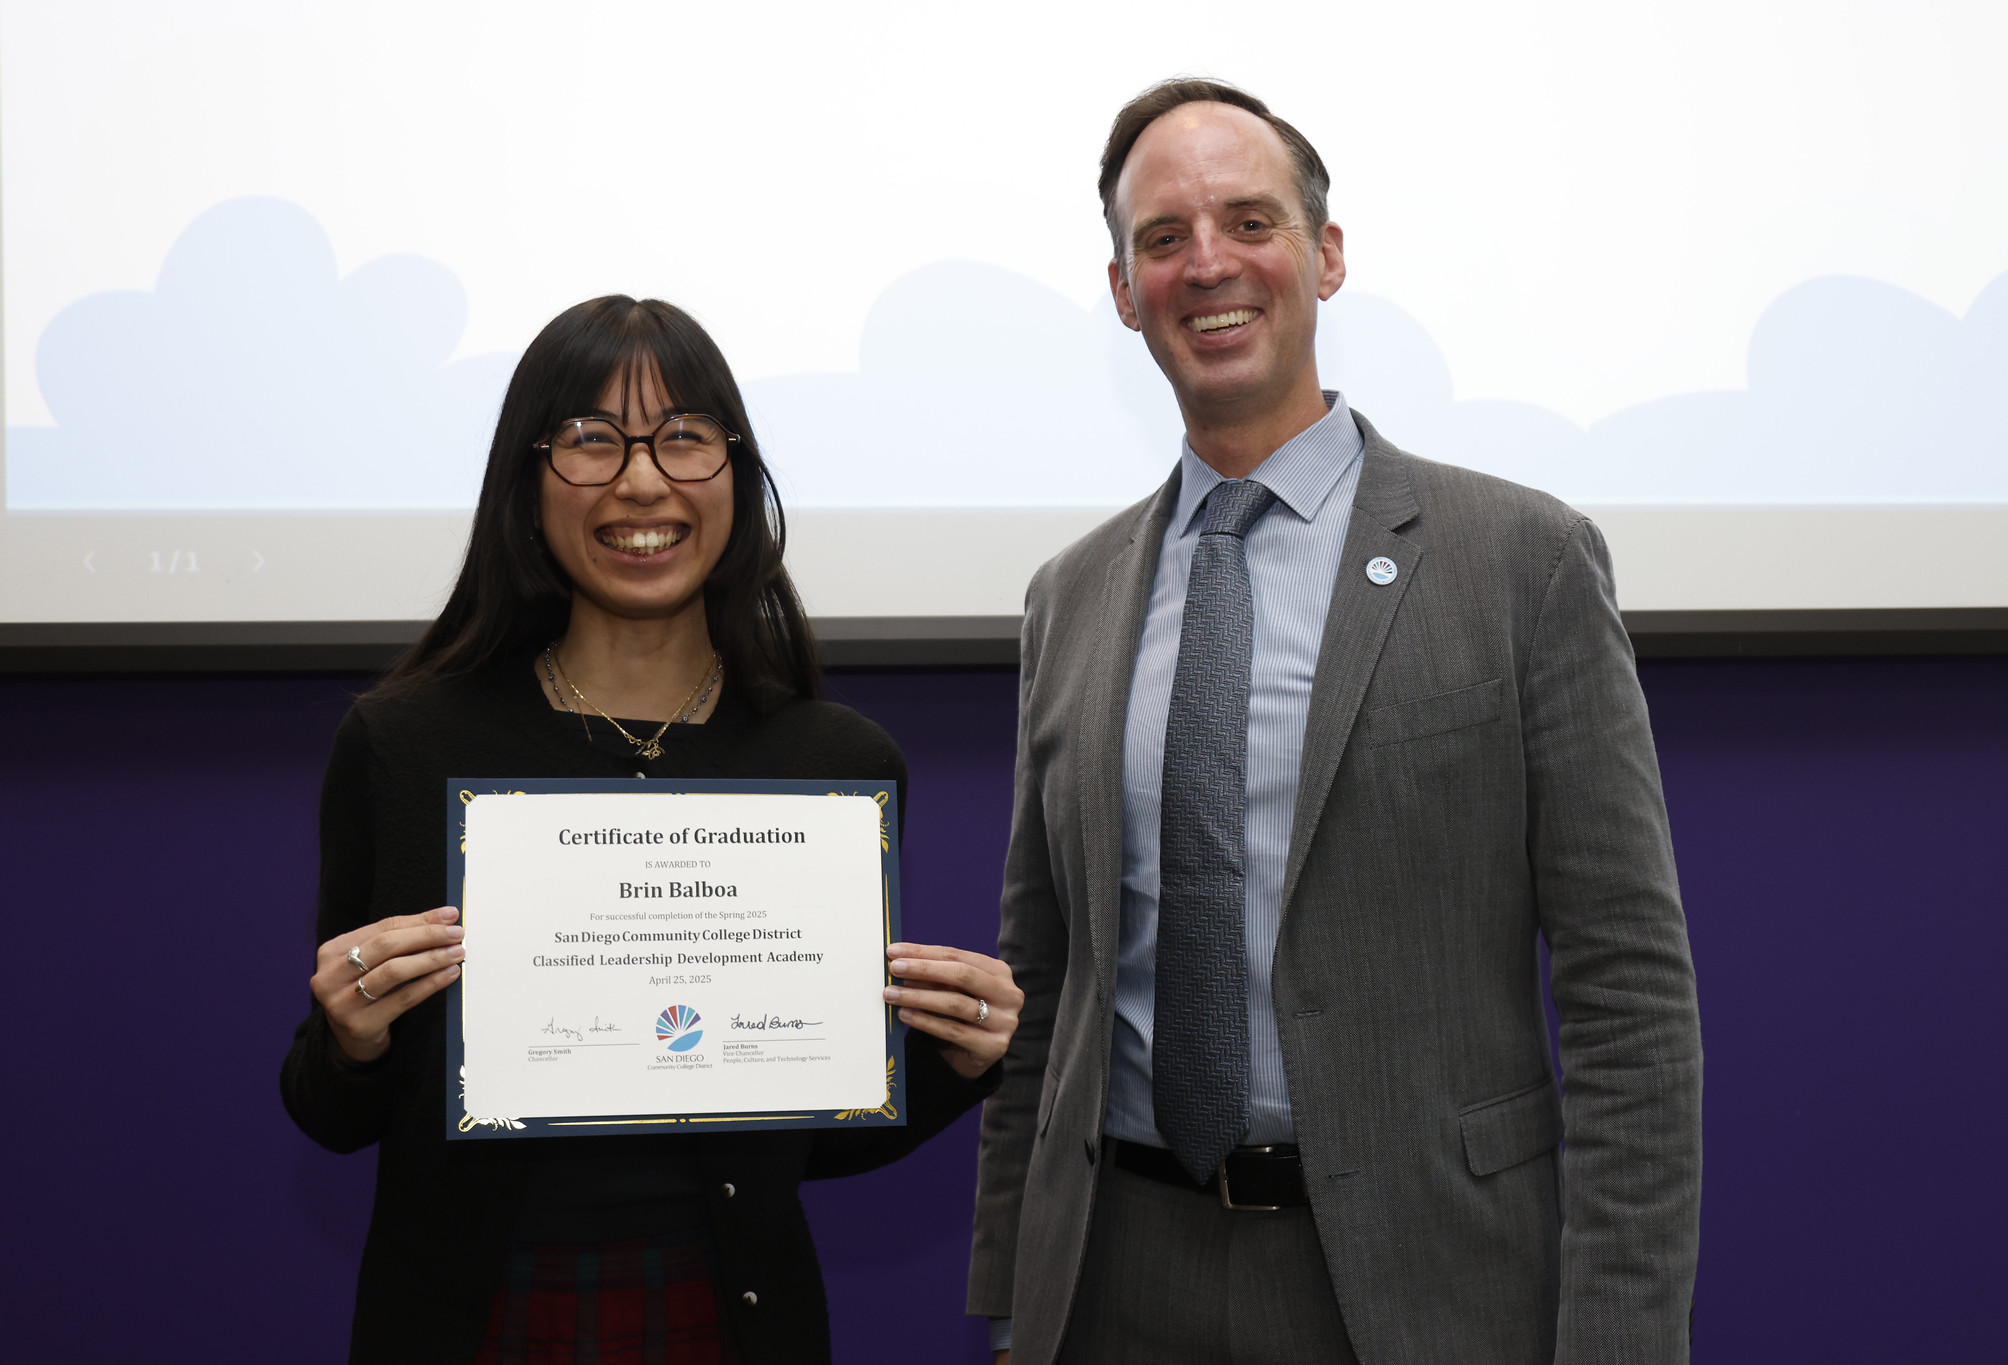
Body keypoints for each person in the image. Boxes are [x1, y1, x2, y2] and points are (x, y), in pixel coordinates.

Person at [969, 79, 1701, 1364]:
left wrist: (1622, 1333)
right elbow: (1044, 982)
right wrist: (1010, 1293)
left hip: (1425, 1285)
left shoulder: (1517, 561)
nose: (1208, 265)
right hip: (1112, 1282)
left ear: (1326, 253)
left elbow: (1625, 991)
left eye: (1248, 220)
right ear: (1123, 289)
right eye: (1162, 238)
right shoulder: (1067, 600)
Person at [280, 295, 1024, 1365]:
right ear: (527, 482)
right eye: (590, 440)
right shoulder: (404, 746)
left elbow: (799, 1140)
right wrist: (351, 1038)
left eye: (683, 438)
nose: (641, 481)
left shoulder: (834, 765)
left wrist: (961, 1061)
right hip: (479, 1315)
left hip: (730, 1313)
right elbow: (327, 1112)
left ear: (736, 474)